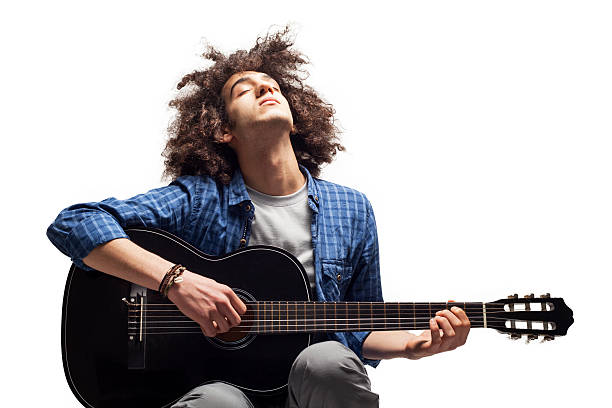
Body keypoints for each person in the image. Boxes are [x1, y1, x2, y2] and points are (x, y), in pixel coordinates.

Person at [47, 26, 470, 408]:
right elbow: (75, 222)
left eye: (273, 86)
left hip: (307, 387)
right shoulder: (199, 199)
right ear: (222, 130)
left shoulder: (351, 209)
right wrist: (176, 281)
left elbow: (358, 325)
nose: (266, 88)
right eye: (245, 90)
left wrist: (416, 344)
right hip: (210, 384)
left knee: (328, 359)